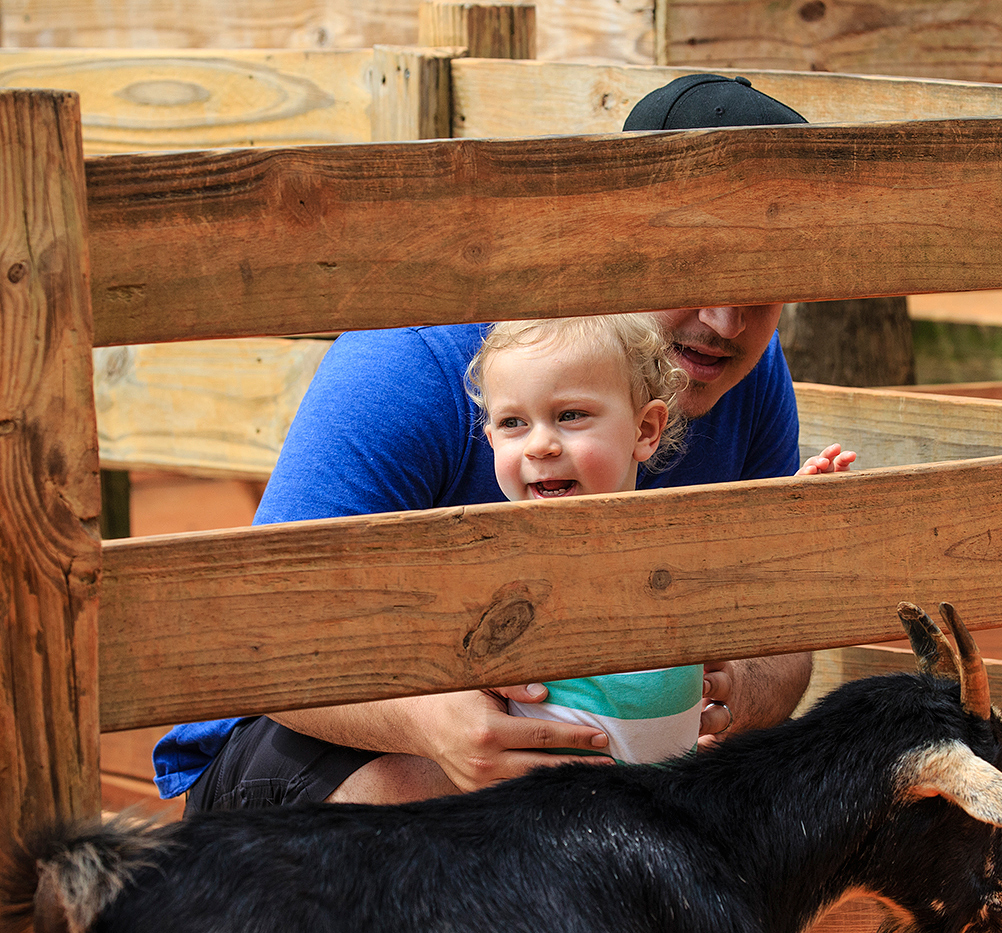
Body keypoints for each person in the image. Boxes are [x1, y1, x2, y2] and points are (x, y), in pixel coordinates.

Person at [154, 73, 855, 812]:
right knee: (488, 814)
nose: (725, 319)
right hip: (315, 737)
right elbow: (263, 639)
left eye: (762, 282)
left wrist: (735, 687)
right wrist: (432, 722)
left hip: (579, 761)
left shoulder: (745, 370)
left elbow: (785, 634)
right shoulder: (419, 359)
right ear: (617, 236)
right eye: (695, 267)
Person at [467, 313, 699, 764]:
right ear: (492, 439)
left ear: (645, 430)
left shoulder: (678, 537)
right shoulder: (496, 558)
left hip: (679, 794)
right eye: (514, 423)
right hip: (557, 804)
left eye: (570, 416)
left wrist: (798, 503)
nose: (540, 446)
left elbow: (758, 564)